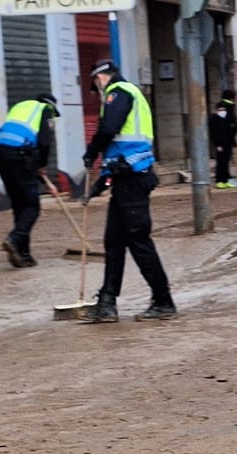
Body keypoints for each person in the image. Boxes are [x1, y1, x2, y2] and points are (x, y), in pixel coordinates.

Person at [78, 59, 175, 323]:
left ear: (100, 79)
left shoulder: (119, 92)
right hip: (125, 180)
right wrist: (96, 188)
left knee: (138, 240)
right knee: (114, 242)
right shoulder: (131, 94)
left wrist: (91, 152)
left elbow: (108, 130)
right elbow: (117, 155)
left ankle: (163, 300)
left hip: (133, 180)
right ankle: (107, 302)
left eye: (95, 86)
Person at [0, 92, 58, 268]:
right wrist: (42, 165)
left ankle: (22, 253)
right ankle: (14, 238)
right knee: (32, 206)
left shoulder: (20, 107)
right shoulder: (45, 110)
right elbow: (44, 143)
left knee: (20, 204)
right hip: (19, 154)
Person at [209, 98, 237, 188]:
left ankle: (225, 180)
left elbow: (233, 129)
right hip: (220, 145)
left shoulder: (228, 118)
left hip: (228, 143)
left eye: (224, 109)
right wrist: (217, 145)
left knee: (226, 162)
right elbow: (213, 134)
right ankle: (219, 181)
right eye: (220, 110)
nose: (222, 111)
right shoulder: (214, 119)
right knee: (220, 162)